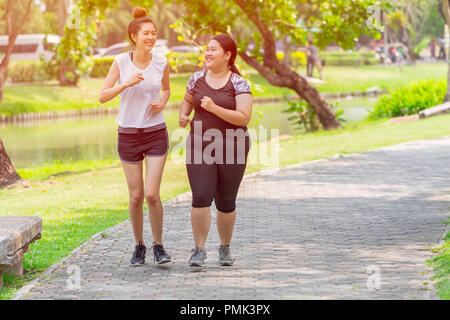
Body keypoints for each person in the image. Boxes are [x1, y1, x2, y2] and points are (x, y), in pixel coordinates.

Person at [98, 7, 172, 267]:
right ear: (133, 36)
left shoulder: (162, 62)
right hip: (128, 134)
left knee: (152, 193)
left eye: (154, 33)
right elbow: (103, 96)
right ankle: (139, 246)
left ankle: (159, 246)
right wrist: (126, 83)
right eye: (146, 34)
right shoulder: (120, 62)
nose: (151, 37)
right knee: (136, 195)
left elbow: (166, 89)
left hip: (155, 132)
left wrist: (162, 104)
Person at [178, 34, 253, 267]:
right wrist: (183, 114)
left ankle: (225, 247)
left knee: (226, 201)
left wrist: (214, 107)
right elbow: (187, 100)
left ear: (227, 55)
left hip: (233, 146)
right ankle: (199, 250)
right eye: (207, 49)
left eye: (213, 50)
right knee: (200, 196)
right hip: (200, 144)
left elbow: (243, 118)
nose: (207, 53)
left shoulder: (239, 83)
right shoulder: (196, 78)